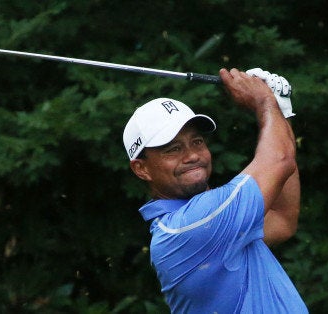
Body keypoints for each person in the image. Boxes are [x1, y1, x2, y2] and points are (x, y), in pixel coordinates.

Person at [122, 68, 308, 313]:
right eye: (173, 149)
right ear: (141, 169)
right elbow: (280, 160)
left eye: (197, 142)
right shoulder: (189, 225)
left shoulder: (219, 221)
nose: (192, 155)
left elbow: (282, 218)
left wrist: (280, 113)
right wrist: (265, 102)